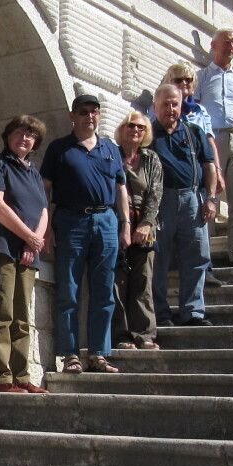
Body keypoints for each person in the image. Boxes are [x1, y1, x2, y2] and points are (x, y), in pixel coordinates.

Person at [40, 94, 131, 373]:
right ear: (72, 116)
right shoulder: (59, 149)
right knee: (69, 290)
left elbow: (121, 189)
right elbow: (45, 190)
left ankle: (99, 354)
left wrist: (125, 224)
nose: (89, 116)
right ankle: (69, 355)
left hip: (106, 220)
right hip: (71, 221)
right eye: (83, 112)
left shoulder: (111, 149)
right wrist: (46, 230)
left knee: (104, 290)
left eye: (94, 111)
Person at [0, 114, 49, 394]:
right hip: (6, 248)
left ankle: (23, 377)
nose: (25, 138)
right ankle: (2, 377)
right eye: (19, 133)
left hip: (27, 251)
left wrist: (34, 242)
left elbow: (44, 210)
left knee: (24, 318)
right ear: (8, 136)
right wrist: (29, 238)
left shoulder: (33, 171)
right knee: (4, 314)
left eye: (31, 135)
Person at [149, 83, 217, 327]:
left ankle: (193, 311)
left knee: (197, 255)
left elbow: (209, 165)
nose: (170, 109)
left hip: (192, 200)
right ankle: (161, 312)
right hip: (161, 202)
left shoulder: (194, 132)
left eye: (174, 104)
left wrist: (211, 198)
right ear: (155, 106)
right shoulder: (148, 134)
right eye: (165, 104)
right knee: (158, 257)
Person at [194, 29, 233, 265]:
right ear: (213, 45)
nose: (231, 47)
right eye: (226, 42)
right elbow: (195, 107)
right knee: (210, 195)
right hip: (213, 137)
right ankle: (204, 255)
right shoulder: (202, 77)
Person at [112, 111, 163, 350]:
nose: (135, 131)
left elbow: (155, 192)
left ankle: (144, 333)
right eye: (131, 126)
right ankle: (121, 335)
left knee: (143, 279)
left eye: (141, 128)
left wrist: (146, 223)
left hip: (144, 224)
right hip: (117, 222)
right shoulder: (112, 155)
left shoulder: (150, 158)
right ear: (122, 129)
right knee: (118, 280)